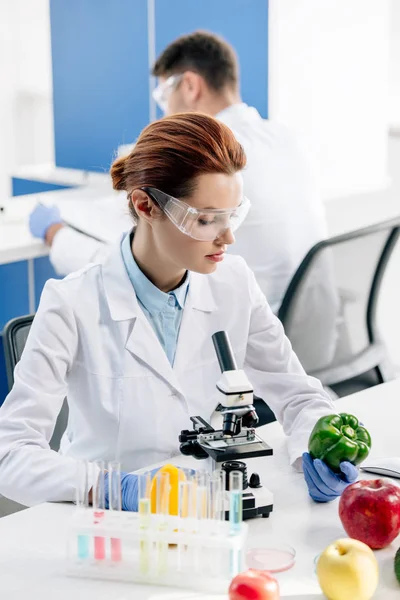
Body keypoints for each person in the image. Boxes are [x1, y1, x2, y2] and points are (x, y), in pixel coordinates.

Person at [0, 114, 355, 509]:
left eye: (233, 214)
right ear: (145, 205)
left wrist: (317, 447)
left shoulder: (233, 282)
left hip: (206, 510)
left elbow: (300, 397)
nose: (228, 236)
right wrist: (115, 489)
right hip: (105, 522)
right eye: (206, 219)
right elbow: (10, 453)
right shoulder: (70, 303)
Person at [29, 31, 327, 314]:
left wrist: (57, 235)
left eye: (163, 94)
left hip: (240, 339)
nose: (165, 110)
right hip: (318, 336)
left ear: (189, 86)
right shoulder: (289, 139)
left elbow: (132, 268)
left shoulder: (207, 158)